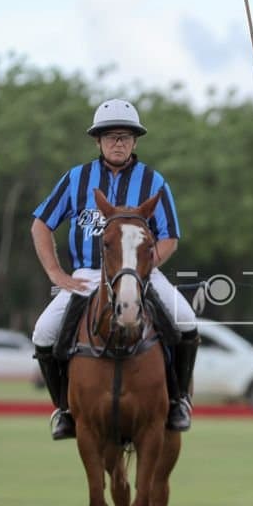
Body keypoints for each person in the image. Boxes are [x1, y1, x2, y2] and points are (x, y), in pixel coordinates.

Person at [30, 98, 199, 441]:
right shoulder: (76, 178)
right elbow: (41, 225)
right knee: (43, 333)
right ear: (98, 141)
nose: (117, 142)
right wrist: (56, 274)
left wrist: (143, 268)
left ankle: (179, 399)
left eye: (124, 136)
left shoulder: (153, 181)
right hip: (89, 274)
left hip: (140, 273)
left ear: (135, 141)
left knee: (187, 321)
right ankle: (64, 409)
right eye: (110, 136)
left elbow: (169, 238)